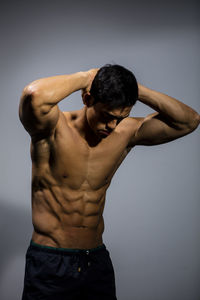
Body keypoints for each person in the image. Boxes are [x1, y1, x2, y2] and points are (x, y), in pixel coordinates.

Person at [19, 64, 200, 300]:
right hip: (50, 261)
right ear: (87, 99)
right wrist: (86, 77)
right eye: (107, 116)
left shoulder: (125, 133)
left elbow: (189, 121)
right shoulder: (53, 129)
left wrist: (135, 89)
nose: (112, 126)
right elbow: (34, 95)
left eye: (120, 118)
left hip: (96, 260)